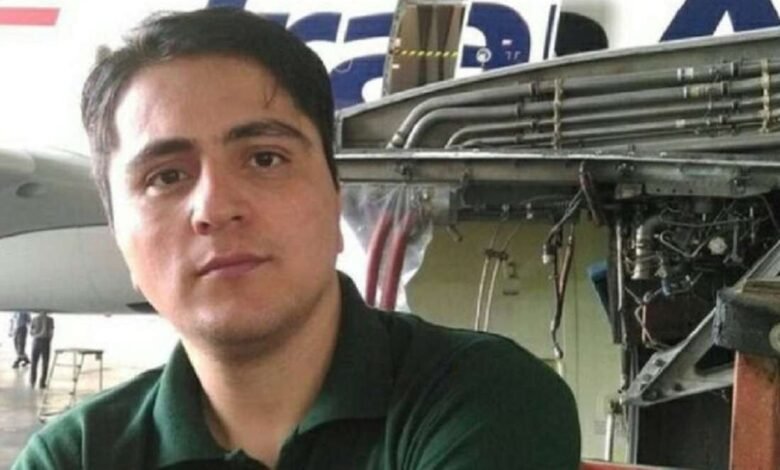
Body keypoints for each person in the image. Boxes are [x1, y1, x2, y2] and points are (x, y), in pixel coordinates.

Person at [13, 8, 580, 469]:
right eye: (166, 177)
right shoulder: (72, 455)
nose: (215, 208)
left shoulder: (481, 397)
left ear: (335, 199)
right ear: (119, 236)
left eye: (265, 158)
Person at [29, 311, 54, 389]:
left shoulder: (35, 319)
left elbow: (31, 332)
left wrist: (37, 334)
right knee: (45, 362)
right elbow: (51, 332)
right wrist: (48, 339)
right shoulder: (50, 319)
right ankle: (42, 382)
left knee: (34, 362)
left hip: (36, 341)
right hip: (45, 341)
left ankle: (33, 381)